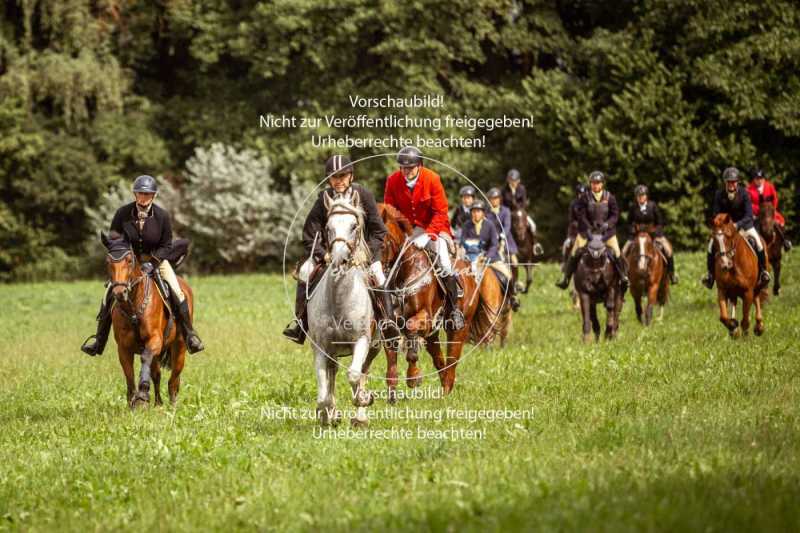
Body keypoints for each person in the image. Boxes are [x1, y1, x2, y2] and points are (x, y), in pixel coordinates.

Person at [81, 175, 204, 356]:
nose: (143, 197)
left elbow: (167, 245)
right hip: (128, 263)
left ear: (153, 196)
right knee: (108, 293)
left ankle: (189, 335)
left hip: (157, 261)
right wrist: (125, 258)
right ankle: (99, 340)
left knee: (177, 290)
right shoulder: (122, 214)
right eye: (140, 193)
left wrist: (153, 263)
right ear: (135, 194)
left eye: (147, 194)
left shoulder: (161, 216)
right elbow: (115, 240)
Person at [282, 155, 395, 344]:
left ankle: (388, 323)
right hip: (329, 253)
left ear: (351, 176)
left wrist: (365, 255)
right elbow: (309, 234)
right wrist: (323, 254)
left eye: (343, 176)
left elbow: (379, 231)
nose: (339, 181)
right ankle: (300, 324)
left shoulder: (363, 195)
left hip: (363, 253)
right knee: (304, 271)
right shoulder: (323, 198)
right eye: (334, 177)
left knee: (378, 275)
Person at [384, 146, 465, 330]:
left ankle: (453, 310)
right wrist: (401, 233)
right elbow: (390, 210)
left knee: (444, 262)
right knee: (388, 262)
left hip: (434, 227)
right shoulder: (393, 180)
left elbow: (441, 212)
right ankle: (387, 311)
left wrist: (428, 234)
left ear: (419, 165)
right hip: (406, 231)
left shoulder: (432, 178)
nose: (406, 171)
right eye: (403, 168)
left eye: (410, 168)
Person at [556, 171, 629, 290]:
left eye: (598, 183)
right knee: (574, 252)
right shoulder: (585, 197)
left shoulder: (610, 197)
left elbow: (615, 215)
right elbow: (581, 215)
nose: (595, 185)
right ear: (590, 184)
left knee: (616, 252)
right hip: (587, 233)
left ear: (602, 184)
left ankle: (623, 277)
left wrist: (607, 224)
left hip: (607, 233)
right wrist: (588, 227)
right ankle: (566, 279)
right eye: (593, 183)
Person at [702, 167, 771, 288]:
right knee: (711, 245)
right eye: (729, 182)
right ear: (725, 182)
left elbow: (749, 215)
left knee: (758, 243)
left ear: (737, 182)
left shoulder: (744, 193)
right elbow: (715, 214)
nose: (731, 184)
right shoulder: (719, 194)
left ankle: (763, 272)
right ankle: (710, 275)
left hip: (744, 225)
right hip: (725, 229)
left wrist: (737, 225)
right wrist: (723, 225)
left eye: (733, 181)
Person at [460, 201, 519, 311]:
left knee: (507, 275)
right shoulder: (466, 226)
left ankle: (512, 297)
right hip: (471, 259)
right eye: (473, 211)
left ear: (483, 213)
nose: (476, 214)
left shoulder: (489, 225)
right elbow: (462, 241)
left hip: (490, 258)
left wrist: (487, 256)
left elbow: (494, 244)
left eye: (478, 211)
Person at [624, 184, 679, 284]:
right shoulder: (633, 207)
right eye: (639, 196)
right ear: (636, 197)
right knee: (623, 252)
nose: (641, 198)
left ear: (646, 196)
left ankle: (672, 274)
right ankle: (624, 277)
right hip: (637, 235)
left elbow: (660, 222)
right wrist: (632, 230)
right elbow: (628, 222)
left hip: (653, 234)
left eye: (643, 195)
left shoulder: (652, 206)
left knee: (668, 250)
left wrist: (655, 231)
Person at [748, 168, 791, 251]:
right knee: (752, 226)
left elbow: (775, 199)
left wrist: (772, 209)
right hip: (757, 213)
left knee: (780, 223)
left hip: (769, 212)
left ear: (764, 179)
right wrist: (759, 210)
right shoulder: (749, 189)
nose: (759, 181)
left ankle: (785, 241)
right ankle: (754, 243)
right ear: (754, 179)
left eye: (761, 179)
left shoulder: (769, 186)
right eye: (757, 179)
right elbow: (749, 204)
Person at [501, 168, 538, 236]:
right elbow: (503, 204)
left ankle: (535, 244)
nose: (513, 183)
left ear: (518, 180)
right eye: (511, 180)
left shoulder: (522, 189)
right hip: (508, 213)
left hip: (520, 212)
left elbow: (523, 203)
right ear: (508, 180)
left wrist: (518, 208)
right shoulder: (504, 190)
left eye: (515, 181)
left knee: (533, 225)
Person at [486, 187, 518, 262]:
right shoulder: (486, 212)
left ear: (500, 199)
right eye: (492, 198)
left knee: (514, 261)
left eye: (496, 198)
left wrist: (502, 236)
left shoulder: (506, 211)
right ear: (489, 199)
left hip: (506, 238)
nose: (494, 200)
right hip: (491, 239)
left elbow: (507, 226)